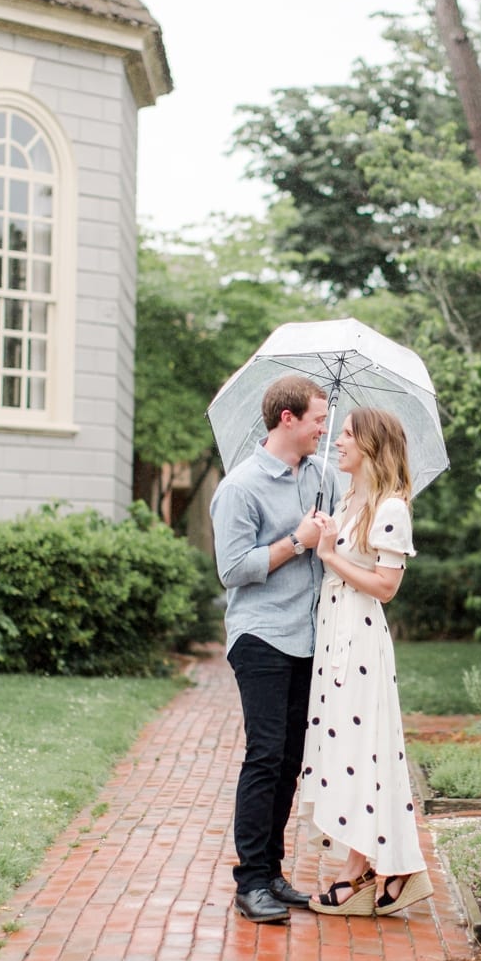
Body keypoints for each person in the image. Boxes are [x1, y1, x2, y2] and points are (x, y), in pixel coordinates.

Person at [298, 406, 434, 918]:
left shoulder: (392, 508)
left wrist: (330, 555)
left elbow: (386, 586)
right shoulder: (351, 497)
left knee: (364, 749)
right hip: (335, 633)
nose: (338, 442)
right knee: (346, 749)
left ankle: (362, 867)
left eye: (348, 435)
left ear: (372, 446)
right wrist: (325, 534)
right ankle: (380, 864)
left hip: (360, 637)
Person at [209, 374, 334, 924]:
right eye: (316, 420)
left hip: (310, 637)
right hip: (261, 636)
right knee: (264, 755)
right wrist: (295, 543)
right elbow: (233, 570)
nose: (323, 429)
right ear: (288, 418)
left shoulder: (322, 477)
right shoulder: (239, 487)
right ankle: (249, 883)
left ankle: (273, 872)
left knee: (289, 761)